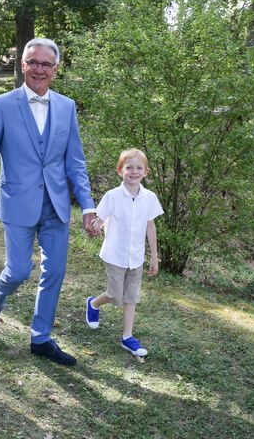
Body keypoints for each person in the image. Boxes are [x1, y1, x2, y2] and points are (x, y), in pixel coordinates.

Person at [0, 38, 98, 366]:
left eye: (46, 64)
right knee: (19, 270)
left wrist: (88, 206)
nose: (39, 69)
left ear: (55, 69)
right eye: (33, 62)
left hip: (55, 204)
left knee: (54, 270)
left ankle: (40, 338)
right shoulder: (2, 105)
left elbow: (75, 163)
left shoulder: (67, 107)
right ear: (23, 65)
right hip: (17, 202)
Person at [85, 148, 163, 357]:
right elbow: (99, 220)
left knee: (131, 297)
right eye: (129, 167)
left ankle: (127, 337)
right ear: (120, 170)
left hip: (136, 258)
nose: (134, 172)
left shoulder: (149, 197)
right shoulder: (112, 196)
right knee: (115, 295)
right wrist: (95, 225)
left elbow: (150, 227)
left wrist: (153, 256)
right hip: (115, 255)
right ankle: (93, 303)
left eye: (139, 168)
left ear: (146, 172)